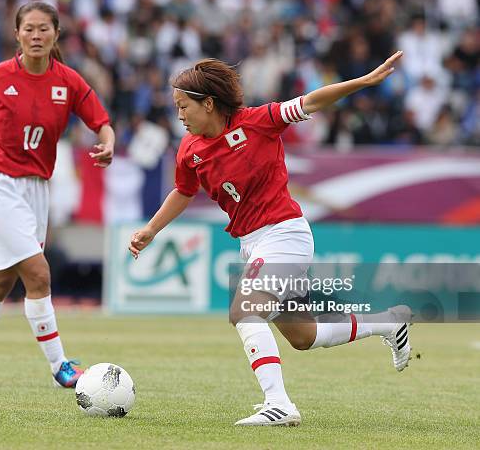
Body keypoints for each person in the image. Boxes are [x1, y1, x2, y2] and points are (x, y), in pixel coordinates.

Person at [129, 52, 412, 426]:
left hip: (284, 234)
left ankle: (278, 404)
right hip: (253, 243)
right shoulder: (189, 150)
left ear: (208, 103)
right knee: (304, 336)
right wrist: (152, 228)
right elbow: (183, 191)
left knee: (244, 310)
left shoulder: (258, 122)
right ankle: (390, 323)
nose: (179, 115)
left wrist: (361, 82)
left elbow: (311, 101)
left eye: (183, 107)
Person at [0, 1, 115, 387]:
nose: (36, 35)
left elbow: (101, 122)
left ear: (56, 34)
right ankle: (60, 367)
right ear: (16, 34)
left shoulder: (68, 81)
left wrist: (109, 142)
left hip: (37, 189)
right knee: (38, 273)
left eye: (43, 29)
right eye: (29, 29)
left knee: (0, 282)